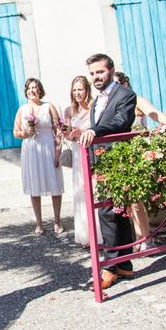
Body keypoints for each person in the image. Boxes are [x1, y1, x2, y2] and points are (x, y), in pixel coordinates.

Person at [80, 54, 137, 289]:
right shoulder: (97, 99)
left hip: (117, 161)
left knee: (107, 212)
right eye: (92, 73)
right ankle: (125, 264)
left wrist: (96, 130)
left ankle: (110, 269)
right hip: (101, 160)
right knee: (118, 211)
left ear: (111, 70)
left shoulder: (125, 95)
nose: (96, 77)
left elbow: (120, 122)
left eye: (100, 72)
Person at [113, 72, 166, 251]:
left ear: (125, 83)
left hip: (137, 151)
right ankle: (140, 236)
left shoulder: (135, 99)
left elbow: (155, 115)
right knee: (130, 199)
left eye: (117, 84)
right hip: (121, 152)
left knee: (137, 198)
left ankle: (146, 238)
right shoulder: (115, 102)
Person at [13, 78, 64, 235]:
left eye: (34, 87)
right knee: (34, 186)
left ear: (40, 90)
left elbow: (58, 129)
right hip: (31, 149)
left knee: (54, 184)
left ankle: (57, 220)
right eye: (29, 88)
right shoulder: (22, 110)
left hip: (48, 146)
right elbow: (15, 133)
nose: (32, 90)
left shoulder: (48, 107)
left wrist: (57, 152)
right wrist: (25, 133)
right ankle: (39, 223)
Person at [62, 77, 103, 247]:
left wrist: (84, 131)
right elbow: (66, 133)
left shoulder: (95, 105)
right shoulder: (69, 110)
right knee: (81, 192)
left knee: (95, 190)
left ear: (87, 90)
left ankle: (101, 235)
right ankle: (87, 235)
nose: (77, 93)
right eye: (74, 90)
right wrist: (68, 133)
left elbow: (99, 127)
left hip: (93, 151)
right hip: (78, 151)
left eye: (80, 89)